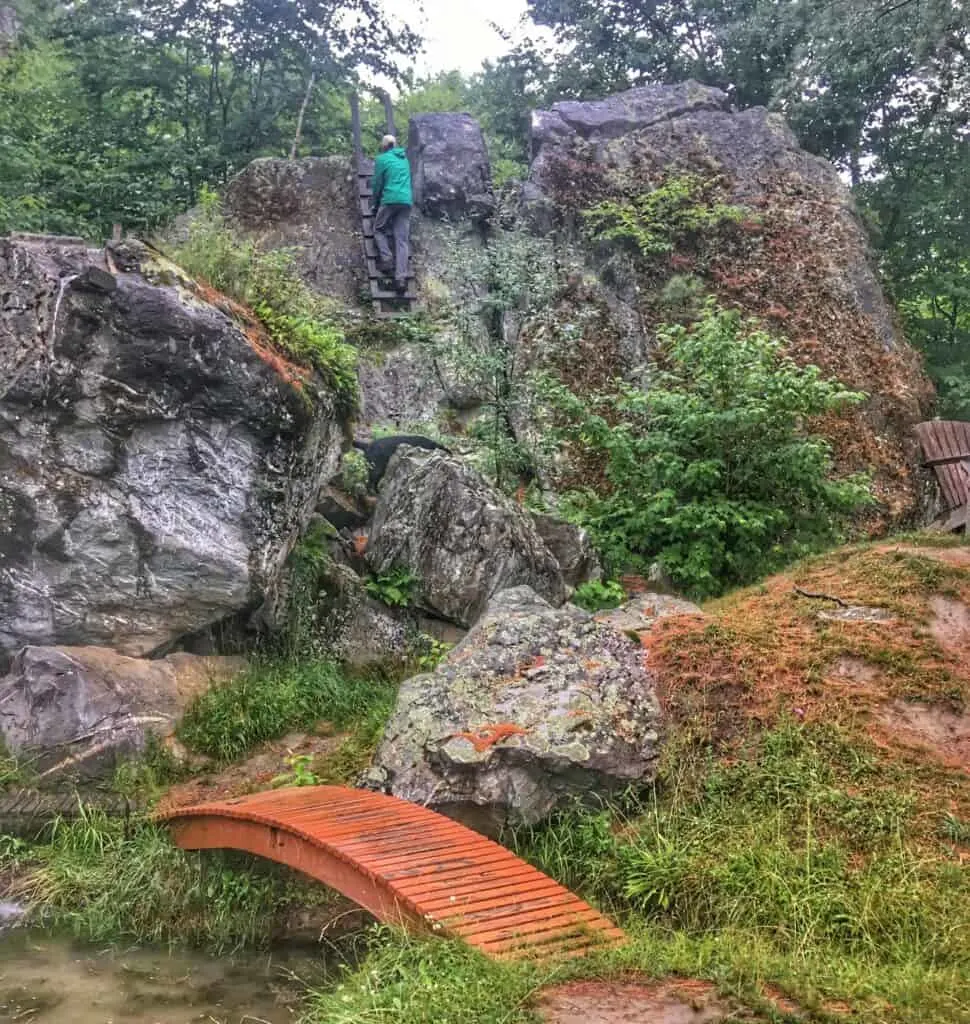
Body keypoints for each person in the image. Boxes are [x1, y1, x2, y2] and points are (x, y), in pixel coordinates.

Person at [371, 134, 412, 293]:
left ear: (384, 146)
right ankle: (401, 279)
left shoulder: (381, 160)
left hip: (389, 199)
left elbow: (377, 183)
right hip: (406, 201)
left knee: (378, 229)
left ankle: (387, 260)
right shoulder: (405, 159)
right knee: (402, 240)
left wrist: (374, 205)